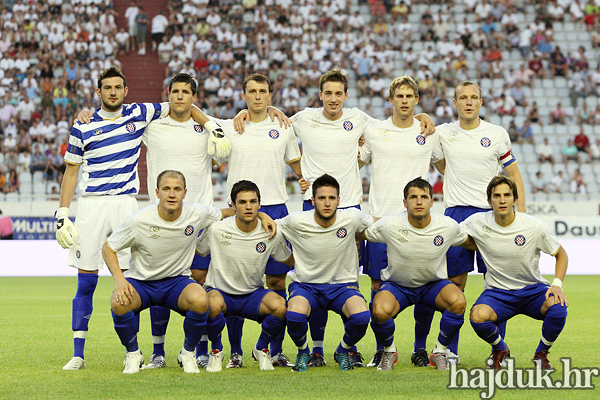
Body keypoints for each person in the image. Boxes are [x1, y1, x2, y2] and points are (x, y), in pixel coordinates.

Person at [57, 67, 231, 371]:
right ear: (98, 92)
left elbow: (185, 106)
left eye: (118, 87)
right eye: (106, 88)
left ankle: (154, 351)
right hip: (92, 206)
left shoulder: (139, 113)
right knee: (86, 282)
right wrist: (62, 212)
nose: (112, 92)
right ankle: (79, 354)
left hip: (130, 205)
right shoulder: (85, 125)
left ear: (126, 91)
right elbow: (71, 170)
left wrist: (212, 124)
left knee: (143, 280)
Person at [289, 69, 433, 368]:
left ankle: (350, 347)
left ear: (345, 95)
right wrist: (301, 176)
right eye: (327, 93)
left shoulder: (362, 120)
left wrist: (424, 118)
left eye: (338, 93)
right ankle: (316, 350)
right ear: (320, 95)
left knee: (348, 280)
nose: (332, 98)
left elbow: (393, 125)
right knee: (315, 277)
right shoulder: (304, 118)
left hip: (350, 207)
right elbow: (272, 129)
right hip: (311, 205)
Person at [102, 170, 272, 373]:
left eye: (177, 189)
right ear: (157, 192)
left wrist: (261, 214)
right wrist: (120, 280)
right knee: (118, 302)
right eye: (166, 189)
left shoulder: (197, 213)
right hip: (143, 282)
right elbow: (108, 248)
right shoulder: (139, 220)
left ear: (185, 193)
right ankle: (133, 354)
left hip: (176, 282)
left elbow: (231, 212)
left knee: (201, 299)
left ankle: (187, 352)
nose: (171, 194)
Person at [414, 81, 527, 365]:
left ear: (480, 102)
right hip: (457, 217)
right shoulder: (443, 133)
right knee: (454, 284)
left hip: (492, 216)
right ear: (455, 103)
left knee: (499, 284)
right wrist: (422, 116)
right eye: (462, 97)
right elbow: (438, 160)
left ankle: (498, 352)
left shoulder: (496, 134)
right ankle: (448, 350)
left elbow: (513, 172)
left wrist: (520, 213)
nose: (468, 102)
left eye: (473, 97)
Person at [215, 74, 302, 368]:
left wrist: (306, 181)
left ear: (269, 95)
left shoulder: (283, 125)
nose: (257, 96)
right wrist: (239, 116)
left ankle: (271, 350)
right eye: (251, 91)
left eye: (262, 91)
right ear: (243, 95)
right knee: (234, 284)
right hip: (238, 211)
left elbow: (297, 165)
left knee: (277, 280)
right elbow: (197, 119)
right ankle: (236, 352)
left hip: (275, 207)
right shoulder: (230, 126)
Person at [358, 76, 443, 367]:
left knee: (425, 288)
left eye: (409, 96)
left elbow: (447, 166)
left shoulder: (428, 132)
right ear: (391, 100)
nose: (404, 100)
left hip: (419, 223)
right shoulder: (374, 131)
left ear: (416, 99)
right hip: (381, 224)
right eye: (399, 96)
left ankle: (420, 348)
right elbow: (352, 162)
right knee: (377, 289)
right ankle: (384, 349)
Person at [358, 178, 476, 370]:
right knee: (379, 309)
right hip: (398, 285)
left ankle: (439, 351)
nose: (419, 202)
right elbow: (361, 233)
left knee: (458, 301)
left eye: (424, 197)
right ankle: (389, 350)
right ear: (405, 203)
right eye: (413, 197)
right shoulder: (390, 224)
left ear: (431, 201)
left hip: (433, 285)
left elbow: (471, 243)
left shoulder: (447, 226)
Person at [464, 176, 568, 370]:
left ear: (515, 199)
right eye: (497, 196)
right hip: (498, 292)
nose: (502, 200)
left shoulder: (533, 225)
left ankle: (541, 354)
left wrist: (556, 285)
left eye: (507, 195)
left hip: (532, 289)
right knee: (477, 316)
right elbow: (456, 236)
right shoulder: (477, 222)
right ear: (489, 201)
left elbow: (561, 254)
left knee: (558, 307)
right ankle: (501, 349)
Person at [197, 180, 294, 372]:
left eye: (253, 201)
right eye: (242, 202)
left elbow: (288, 260)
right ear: (232, 205)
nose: (248, 206)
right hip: (220, 292)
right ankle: (216, 351)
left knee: (282, 308)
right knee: (209, 303)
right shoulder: (217, 229)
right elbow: (199, 250)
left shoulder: (271, 232)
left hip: (253, 294)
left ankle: (261, 348)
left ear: (259, 204)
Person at [279, 174, 373, 371]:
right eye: (322, 198)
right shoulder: (296, 220)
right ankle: (304, 352)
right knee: (295, 316)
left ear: (339, 200)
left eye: (332, 198)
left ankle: (342, 350)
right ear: (312, 200)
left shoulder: (352, 217)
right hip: (306, 286)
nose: (327, 203)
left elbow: (377, 223)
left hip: (342, 287)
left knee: (362, 317)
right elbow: (270, 225)